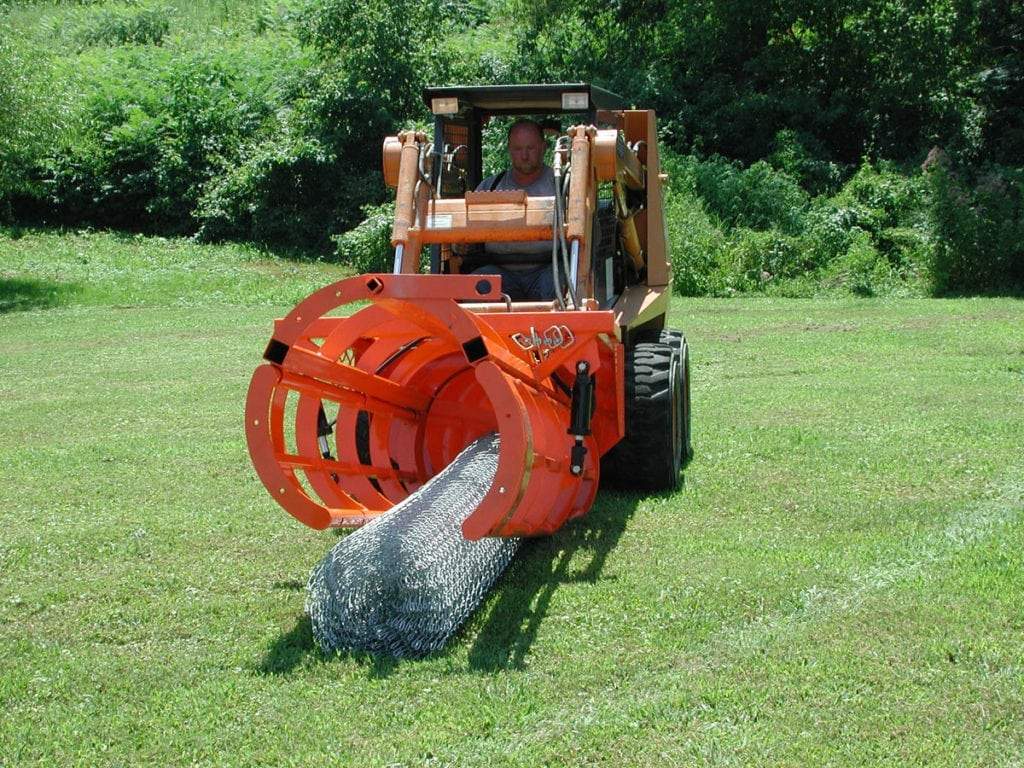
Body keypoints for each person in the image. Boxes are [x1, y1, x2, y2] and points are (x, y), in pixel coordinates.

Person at [471, 120, 557, 301]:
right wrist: (461, 243)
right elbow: (466, 229)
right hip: (501, 271)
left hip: (549, 268)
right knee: (477, 286)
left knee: (558, 287)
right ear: (509, 149)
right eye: (518, 149)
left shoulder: (562, 186)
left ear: (543, 147)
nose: (524, 155)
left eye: (530, 148)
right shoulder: (490, 187)